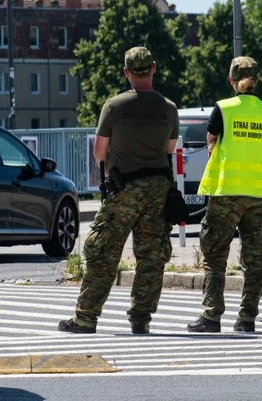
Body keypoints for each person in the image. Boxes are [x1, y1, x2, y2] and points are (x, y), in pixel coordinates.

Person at [59, 46, 178, 335]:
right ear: (153, 68)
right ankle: (141, 319)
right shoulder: (169, 108)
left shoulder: (114, 106)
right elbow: (169, 150)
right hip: (158, 188)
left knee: (103, 251)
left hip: (123, 188)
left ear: (126, 72)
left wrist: (111, 173)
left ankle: (86, 318)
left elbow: (99, 152)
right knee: (152, 256)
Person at [187, 57, 262, 334]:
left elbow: (211, 142)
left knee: (215, 257)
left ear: (231, 80)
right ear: (257, 80)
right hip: (259, 195)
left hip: (226, 193)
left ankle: (211, 316)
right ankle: (247, 319)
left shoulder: (223, 109)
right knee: (254, 260)